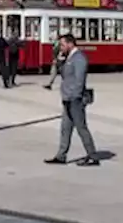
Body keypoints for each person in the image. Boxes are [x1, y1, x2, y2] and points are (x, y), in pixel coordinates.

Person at [43, 34, 100, 166]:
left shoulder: (79, 58)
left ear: (70, 44)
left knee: (81, 128)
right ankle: (61, 155)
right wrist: (58, 62)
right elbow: (63, 74)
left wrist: (74, 97)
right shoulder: (68, 57)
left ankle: (92, 155)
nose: (60, 48)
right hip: (67, 98)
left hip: (75, 99)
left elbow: (79, 81)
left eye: (62, 45)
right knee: (65, 128)